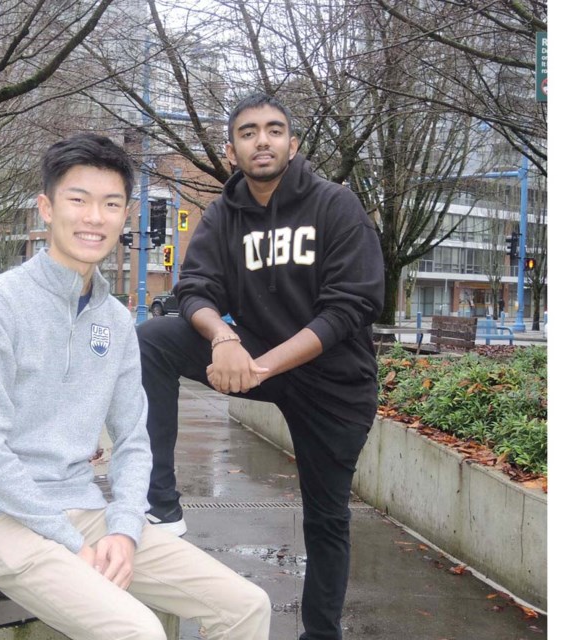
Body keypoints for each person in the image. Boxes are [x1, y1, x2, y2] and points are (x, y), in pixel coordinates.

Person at [0, 133, 271, 640]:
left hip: (83, 507)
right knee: (137, 630)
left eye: (110, 203)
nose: (94, 217)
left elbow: (135, 441)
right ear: (46, 208)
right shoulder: (0, 304)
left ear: (126, 215)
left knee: (246, 606)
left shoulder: (116, 321)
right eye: (78, 199)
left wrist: (124, 526)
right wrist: (69, 542)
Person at [138, 94, 385, 640]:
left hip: (333, 381)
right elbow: (196, 288)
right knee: (154, 340)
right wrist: (224, 337)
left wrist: (261, 364)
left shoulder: (335, 205)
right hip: (251, 354)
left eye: (275, 130)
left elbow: (352, 306)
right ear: (232, 151)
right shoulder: (224, 215)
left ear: (293, 145)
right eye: (249, 132)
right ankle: (160, 502)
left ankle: (321, 633)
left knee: (326, 517)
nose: (263, 140)